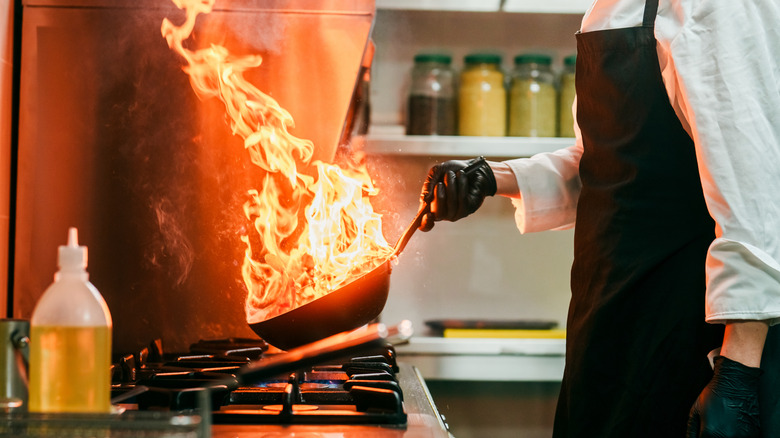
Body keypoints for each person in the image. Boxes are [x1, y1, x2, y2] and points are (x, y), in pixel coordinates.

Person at [417, 0, 780, 436]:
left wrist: (738, 372)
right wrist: (493, 177)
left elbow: (756, 185)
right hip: (611, 323)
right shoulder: (607, 10)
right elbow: (614, 164)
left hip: (685, 338)